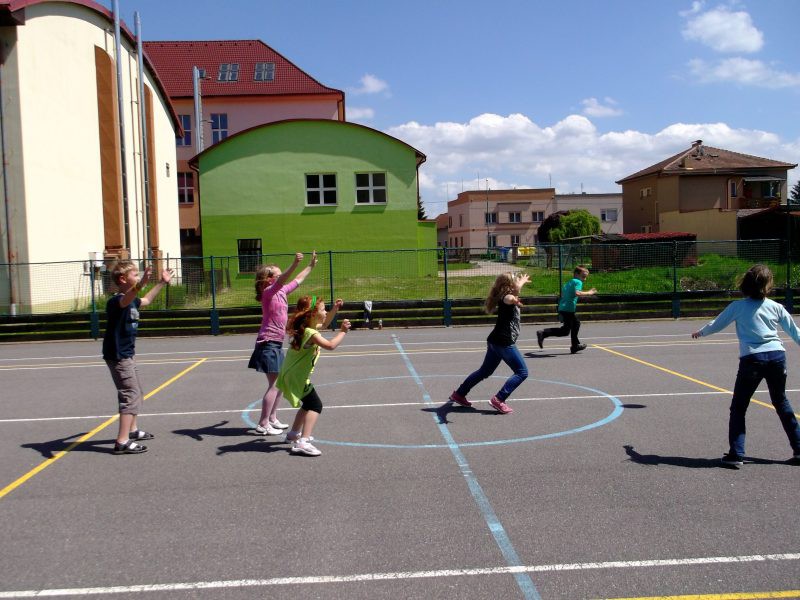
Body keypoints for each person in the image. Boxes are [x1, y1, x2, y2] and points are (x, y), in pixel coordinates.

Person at [691, 264, 800, 467]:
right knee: (781, 402)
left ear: (745, 284)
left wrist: (701, 332)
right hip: (777, 357)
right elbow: (795, 332)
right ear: (768, 285)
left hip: (752, 360)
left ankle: (736, 454)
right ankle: (799, 449)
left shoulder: (738, 307)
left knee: (739, 407)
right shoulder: (776, 307)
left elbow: (717, 324)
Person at [103, 260, 173, 454]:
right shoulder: (116, 301)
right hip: (118, 355)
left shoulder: (132, 300)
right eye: (135, 275)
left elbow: (146, 300)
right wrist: (141, 284)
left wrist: (162, 282)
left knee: (136, 392)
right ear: (122, 279)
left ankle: (132, 431)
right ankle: (122, 441)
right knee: (130, 395)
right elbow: (127, 299)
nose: (138, 277)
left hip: (127, 353)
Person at [248, 252, 318, 436]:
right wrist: (294, 263)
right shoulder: (268, 293)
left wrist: (310, 266)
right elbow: (285, 278)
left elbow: (298, 279)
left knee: (280, 382)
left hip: (276, 343)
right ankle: (263, 423)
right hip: (268, 343)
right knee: (275, 384)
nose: (281, 277)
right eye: (278, 275)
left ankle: (272, 418)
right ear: (269, 279)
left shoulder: (282, 291)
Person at [277, 296, 350, 456]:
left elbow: (325, 323)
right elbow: (330, 345)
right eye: (323, 310)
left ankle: (293, 434)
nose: (325, 312)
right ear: (313, 314)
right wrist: (343, 332)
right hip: (297, 377)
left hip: (291, 374)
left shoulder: (305, 328)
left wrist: (335, 309)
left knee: (307, 404)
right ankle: (303, 441)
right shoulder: (310, 333)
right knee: (316, 405)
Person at [448, 272, 530, 414]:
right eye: (514, 281)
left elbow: (514, 294)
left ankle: (459, 394)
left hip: (495, 341)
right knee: (522, 372)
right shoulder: (507, 298)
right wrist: (521, 282)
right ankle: (499, 399)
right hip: (504, 342)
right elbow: (512, 296)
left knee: (484, 371)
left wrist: (517, 292)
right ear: (509, 285)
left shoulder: (506, 296)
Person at [537, 265, 596, 354]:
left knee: (567, 330)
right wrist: (589, 293)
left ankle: (544, 333)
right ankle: (574, 346)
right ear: (576, 274)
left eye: (585, 277)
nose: (584, 279)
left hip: (563, 308)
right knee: (574, 325)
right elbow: (577, 293)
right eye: (583, 276)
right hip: (568, 309)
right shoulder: (577, 282)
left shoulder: (569, 282)